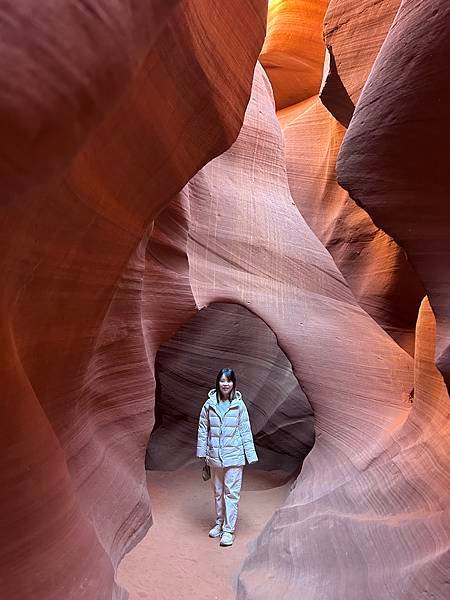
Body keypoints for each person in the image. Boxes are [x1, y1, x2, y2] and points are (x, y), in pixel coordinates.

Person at [196, 367, 258, 547]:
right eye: (223, 381)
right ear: (218, 382)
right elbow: (203, 429)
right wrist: (202, 453)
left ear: (233, 383)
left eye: (229, 381)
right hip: (215, 455)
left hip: (235, 456)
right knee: (217, 493)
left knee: (231, 493)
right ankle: (219, 524)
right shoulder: (209, 404)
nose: (225, 384)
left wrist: (250, 454)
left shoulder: (239, 405)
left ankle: (228, 531)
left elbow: (245, 430)